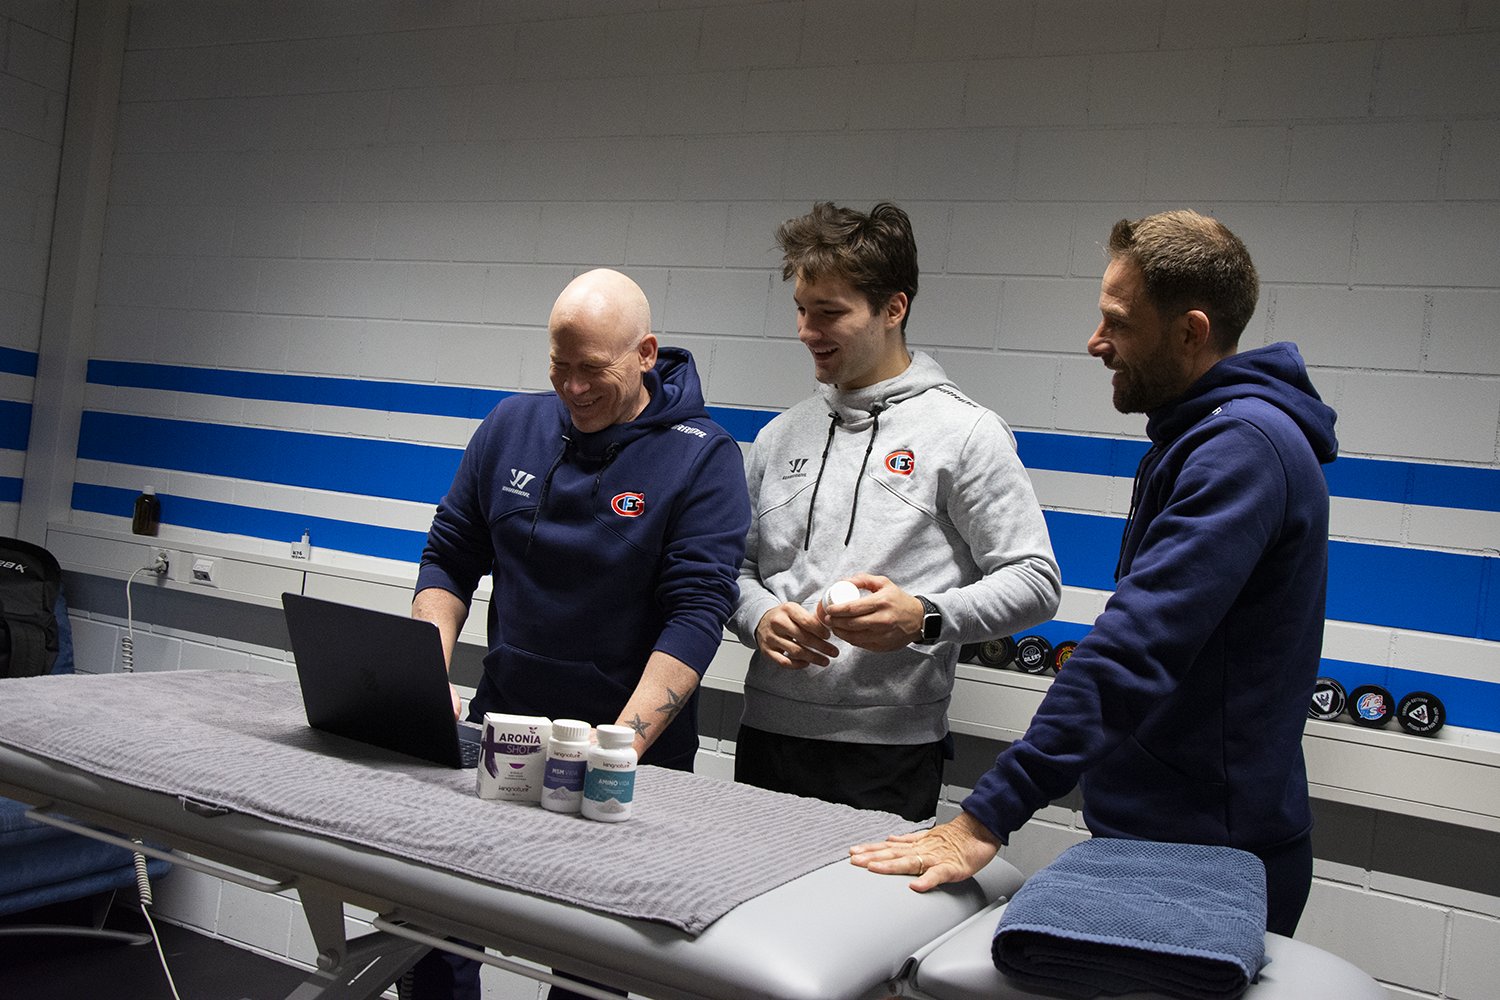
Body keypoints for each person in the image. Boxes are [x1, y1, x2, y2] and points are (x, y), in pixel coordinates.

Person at [851, 210, 1339, 937]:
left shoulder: (1241, 450)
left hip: (1212, 856)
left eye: (1118, 322)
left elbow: (1135, 647)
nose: (1096, 342)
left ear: (1190, 332)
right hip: (1167, 834)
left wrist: (988, 813)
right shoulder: (1204, 437)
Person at [408, 267, 751, 1000]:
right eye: (559, 367)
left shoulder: (703, 456)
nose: (573, 387)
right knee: (432, 934)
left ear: (646, 353)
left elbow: (696, 613)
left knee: (590, 972)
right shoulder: (510, 425)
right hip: (503, 736)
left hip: (626, 760)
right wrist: (422, 675)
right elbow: (448, 557)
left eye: (592, 369)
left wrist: (618, 748)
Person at [729, 202, 1062, 823]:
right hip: (766, 734)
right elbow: (733, 569)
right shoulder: (780, 436)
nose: (806, 330)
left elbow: (1036, 581)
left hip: (887, 756)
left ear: (893, 308)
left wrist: (925, 617)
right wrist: (758, 616)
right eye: (802, 310)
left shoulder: (966, 434)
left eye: (829, 313)